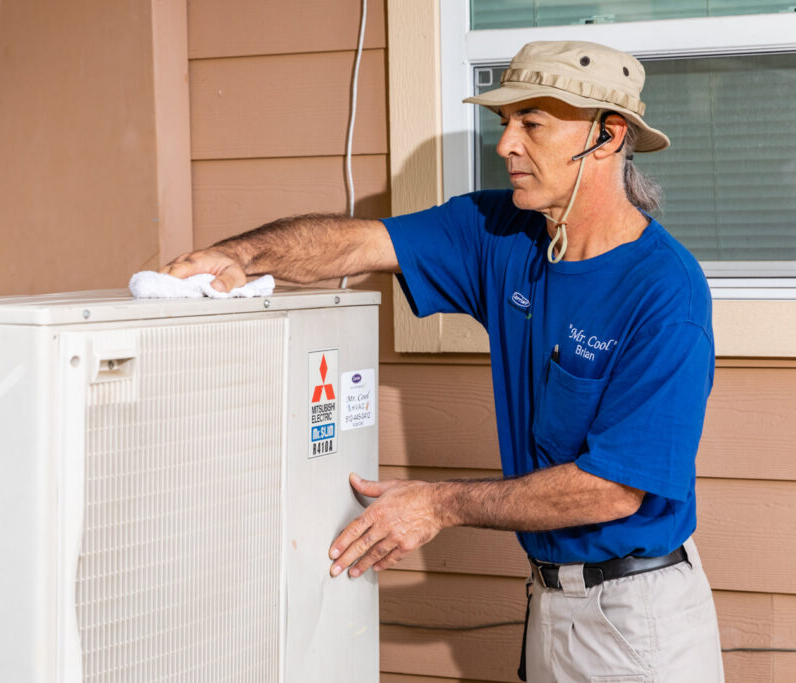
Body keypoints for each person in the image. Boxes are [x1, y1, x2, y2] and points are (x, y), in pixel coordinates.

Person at [162, 40, 724, 681]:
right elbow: (357, 243)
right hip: (547, 602)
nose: (506, 144)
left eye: (531, 124)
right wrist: (241, 256)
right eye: (504, 123)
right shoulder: (503, 232)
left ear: (606, 135)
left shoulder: (663, 290)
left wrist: (438, 504)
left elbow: (614, 489)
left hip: (634, 618)